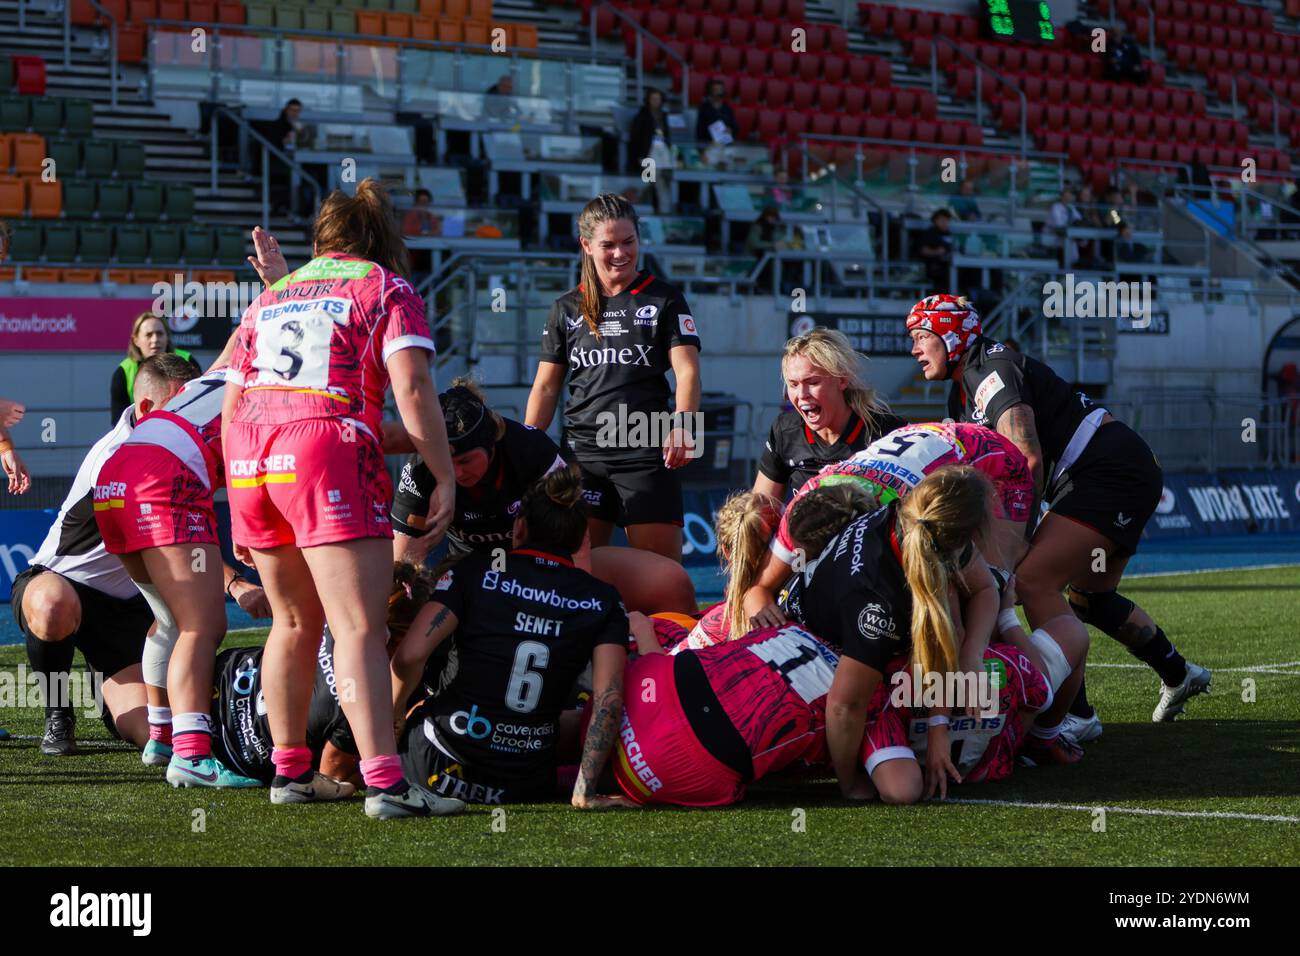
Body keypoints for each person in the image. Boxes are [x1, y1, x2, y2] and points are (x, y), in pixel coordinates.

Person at [221, 177, 463, 820]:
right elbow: (413, 390)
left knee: (292, 623)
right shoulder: (387, 289)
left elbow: (231, 402)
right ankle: (386, 785)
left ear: (322, 238)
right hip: (322, 451)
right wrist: (443, 470)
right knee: (359, 626)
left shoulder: (270, 299)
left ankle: (290, 772)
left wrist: (237, 497)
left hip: (248, 452)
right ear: (384, 239)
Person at [906, 293, 1212, 744]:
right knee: (1090, 599)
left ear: (951, 334)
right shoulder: (967, 386)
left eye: (920, 337)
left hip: (1105, 472)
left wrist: (1013, 545)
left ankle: (1078, 714)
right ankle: (1178, 672)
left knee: (1031, 580)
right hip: (1105, 470)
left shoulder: (989, 371)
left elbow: (1026, 459)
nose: (913, 349)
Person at [779, 467, 1067, 802]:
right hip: (832, 655)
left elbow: (983, 590)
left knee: (1015, 674)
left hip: (888, 653)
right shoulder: (878, 602)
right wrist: (849, 783)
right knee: (902, 790)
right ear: (966, 532)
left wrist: (971, 657)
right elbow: (845, 704)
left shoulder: (922, 526)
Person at [10, 355, 239, 756]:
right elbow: (171, 537)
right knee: (52, 605)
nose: (193, 419)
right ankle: (57, 713)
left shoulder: (163, 441)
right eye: (181, 407)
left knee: (153, 734)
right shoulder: (122, 455)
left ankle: (109, 693)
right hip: (61, 581)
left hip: (123, 609)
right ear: (148, 409)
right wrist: (233, 583)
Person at [94, 335, 276, 785]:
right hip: (162, 480)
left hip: (115, 476)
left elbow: (237, 340)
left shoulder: (213, 376)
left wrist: (273, 290)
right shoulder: (270, 393)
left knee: (169, 621)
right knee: (202, 626)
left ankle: (163, 737)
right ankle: (192, 756)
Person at [390, 465, 629, 806]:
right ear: (579, 538)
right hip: (524, 783)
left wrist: (394, 726)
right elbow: (609, 699)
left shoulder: (475, 571)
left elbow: (410, 656)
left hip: (437, 763)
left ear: (519, 528)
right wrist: (585, 792)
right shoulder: (603, 600)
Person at [391, 379, 697, 614]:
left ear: (491, 444)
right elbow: (405, 567)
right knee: (397, 603)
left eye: (465, 461)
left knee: (671, 581)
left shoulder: (530, 450)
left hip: (542, 568)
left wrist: (573, 607)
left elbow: (577, 542)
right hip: (470, 570)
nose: (455, 473)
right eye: (445, 461)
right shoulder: (422, 468)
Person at [525, 193, 702, 562]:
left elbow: (687, 372)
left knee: (664, 579)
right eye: (608, 245)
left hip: (645, 445)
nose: (620, 254)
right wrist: (525, 446)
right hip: (581, 454)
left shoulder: (665, 299)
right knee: (574, 570)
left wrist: (684, 425)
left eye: (629, 242)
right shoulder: (566, 307)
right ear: (586, 245)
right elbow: (545, 387)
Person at [744, 420, 1034, 630]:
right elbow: (757, 590)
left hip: (993, 462)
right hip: (924, 451)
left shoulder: (903, 521)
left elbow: (956, 610)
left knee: (980, 599)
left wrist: (969, 656)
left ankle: (1041, 673)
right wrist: (766, 617)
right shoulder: (801, 515)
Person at [209, 563, 432, 795]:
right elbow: (335, 775)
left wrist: (234, 583)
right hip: (233, 754)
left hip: (216, 675)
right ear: (401, 638)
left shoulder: (331, 604)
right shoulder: (366, 695)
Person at [589, 621, 838, 807]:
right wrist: (849, 785)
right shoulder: (871, 697)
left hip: (653, 686)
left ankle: (568, 772)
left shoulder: (779, 619)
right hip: (684, 764)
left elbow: (639, 622)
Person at [753, 326, 906, 501]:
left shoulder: (888, 433)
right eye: (793, 384)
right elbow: (759, 512)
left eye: (812, 382)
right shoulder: (786, 431)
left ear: (842, 379)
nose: (802, 394)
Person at [110, 312, 202, 423]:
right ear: (136, 340)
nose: (155, 339)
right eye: (148, 335)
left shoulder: (187, 360)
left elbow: (201, 404)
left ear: (167, 337)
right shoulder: (123, 372)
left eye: (159, 334)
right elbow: (119, 422)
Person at [628, 88, 674, 214]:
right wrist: (639, 156)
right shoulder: (641, 117)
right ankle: (656, 209)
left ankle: (664, 209)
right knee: (651, 180)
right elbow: (636, 139)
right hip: (647, 154)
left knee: (665, 181)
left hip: (663, 153)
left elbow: (668, 137)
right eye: (653, 99)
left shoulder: (664, 117)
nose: (656, 101)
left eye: (658, 99)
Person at [915, 208, 955, 291]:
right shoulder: (930, 233)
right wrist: (937, 252)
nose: (945, 223)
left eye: (947, 220)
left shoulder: (948, 233)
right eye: (942, 220)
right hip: (933, 267)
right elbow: (923, 250)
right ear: (935, 220)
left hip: (948, 264)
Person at [695, 79, 737, 146]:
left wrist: (730, 130)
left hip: (725, 144)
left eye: (720, 89)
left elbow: (734, 127)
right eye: (716, 90)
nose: (719, 92)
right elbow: (699, 131)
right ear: (711, 92)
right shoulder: (704, 108)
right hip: (709, 144)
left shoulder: (727, 109)